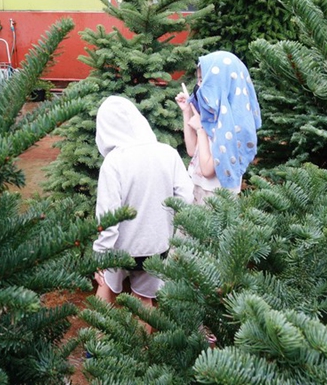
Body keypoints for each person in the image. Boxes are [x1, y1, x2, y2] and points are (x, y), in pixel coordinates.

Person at [93, 96, 193, 307]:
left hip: (120, 248)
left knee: (105, 286)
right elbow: (186, 197)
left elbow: (107, 215)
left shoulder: (114, 162)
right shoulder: (168, 153)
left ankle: (98, 340)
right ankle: (143, 341)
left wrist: (101, 255)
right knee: (145, 299)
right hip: (156, 244)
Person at [175, 51, 261, 204]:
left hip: (215, 199)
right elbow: (191, 150)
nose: (198, 86)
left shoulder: (231, 127)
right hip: (199, 190)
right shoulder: (213, 117)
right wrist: (187, 112)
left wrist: (201, 130)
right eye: (199, 80)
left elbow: (207, 170)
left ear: (222, 83)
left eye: (203, 80)